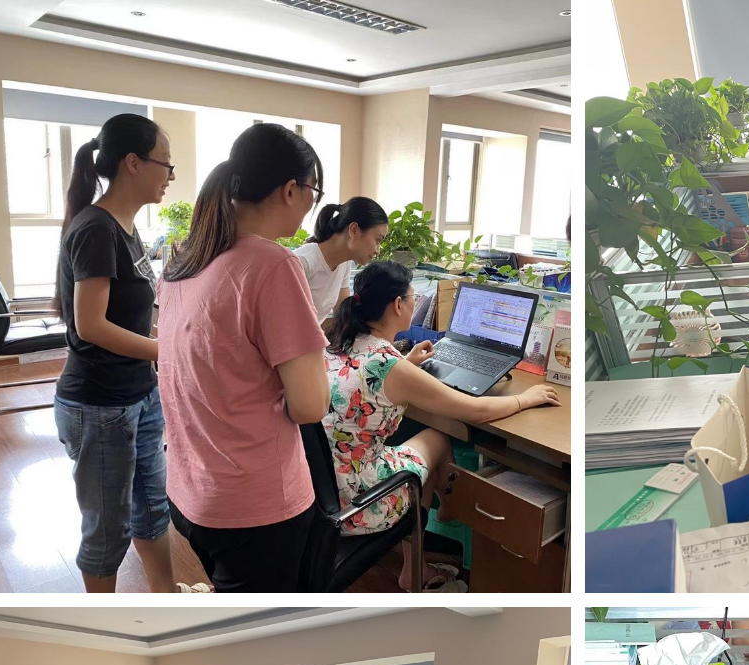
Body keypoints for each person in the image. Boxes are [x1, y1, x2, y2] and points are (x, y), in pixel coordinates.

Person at [157, 122, 330, 592]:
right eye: (313, 191)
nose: (311, 204)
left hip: (190, 492)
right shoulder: (274, 265)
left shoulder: (184, 260)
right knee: (263, 630)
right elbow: (311, 404)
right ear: (291, 190)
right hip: (254, 508)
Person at [322, 261, 560, 591]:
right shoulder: (390, 365)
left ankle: (437, 523)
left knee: (429, 440)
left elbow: (370, 380)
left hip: (324, 490)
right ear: (398, 305)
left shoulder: (338, 344)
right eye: (412, 296)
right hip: (361, 502)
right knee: (438, 439)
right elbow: (475, 411)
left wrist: (408, 364)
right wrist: (525, 398)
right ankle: (430, 541)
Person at [54, 114, 204, 595]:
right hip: (99, 405)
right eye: (166, 164)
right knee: (107, 529)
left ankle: (166, 601)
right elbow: (91, 325)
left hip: (139, 393)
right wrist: (170, 351)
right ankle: (106, 624)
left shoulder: (125, 227)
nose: (171, 176)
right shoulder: (96, 229)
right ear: (134, 163)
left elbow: (131, 315)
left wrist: (169, 341)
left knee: (153, 509)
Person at [292, 196, 389, 325]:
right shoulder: (302, 262)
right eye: (378, 240)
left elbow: (342, 314)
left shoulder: (344, 263)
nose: (377, 251)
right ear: (354, 230)